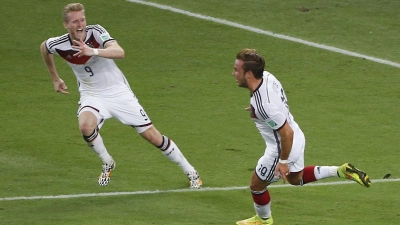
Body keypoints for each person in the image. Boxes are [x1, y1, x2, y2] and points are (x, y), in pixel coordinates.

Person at [39, 3, 202, 188]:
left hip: (118, 92)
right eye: (75, 21)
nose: (80, 24)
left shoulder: (96, 32)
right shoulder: (59, 43)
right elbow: (44, 47)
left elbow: (120, 52)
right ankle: (108, 161)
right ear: (66, 25)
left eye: (82, 19)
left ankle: (191, 172)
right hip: (91, 93)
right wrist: (54, 77)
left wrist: (92, 51)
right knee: (85, 127)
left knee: (153, 137)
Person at [232, 48, 370, 225]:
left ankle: (264, 220)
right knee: (296, 179)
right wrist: (258, 111)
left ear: (249, 74)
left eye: (237, 70)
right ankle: (340, 171)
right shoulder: (267, 76)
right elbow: (275, 106)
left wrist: (282, 162)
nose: (233, 73)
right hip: (297, 136)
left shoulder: (263, 105)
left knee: (256, 186)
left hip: (283, 147)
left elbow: (285, 133)